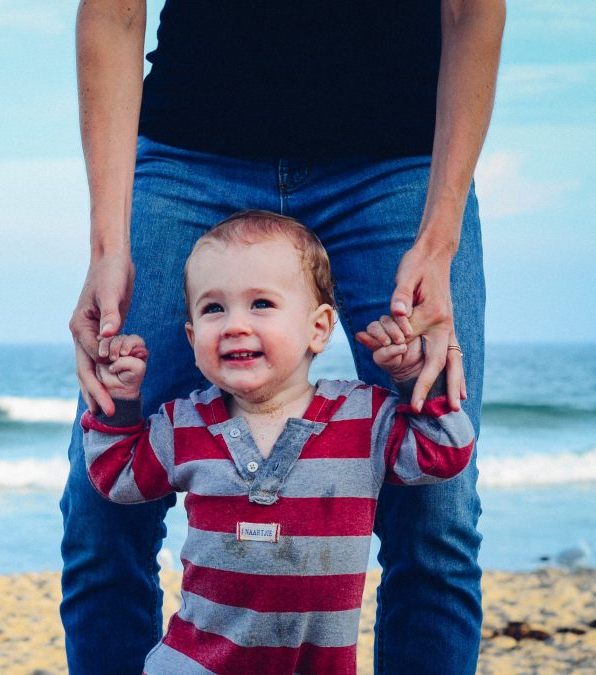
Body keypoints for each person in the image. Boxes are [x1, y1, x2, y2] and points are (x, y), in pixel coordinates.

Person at [62, 1, 504, 673]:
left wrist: (438, 237)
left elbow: (471, 11)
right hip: (188, 155)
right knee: (100, 517)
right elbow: (115, 12)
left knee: (438, 516)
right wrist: (107, 245)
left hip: (399, 161)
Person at [80, 212, 475, 674]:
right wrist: (124, 405)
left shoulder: (365, 418)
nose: (234, 325)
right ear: (191, 337)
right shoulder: (181, 424)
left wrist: (411, 382)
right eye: (213, 309)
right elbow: (118, 479)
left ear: (319, 328)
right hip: (194, 664)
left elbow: (445, 454)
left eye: (261, 304)